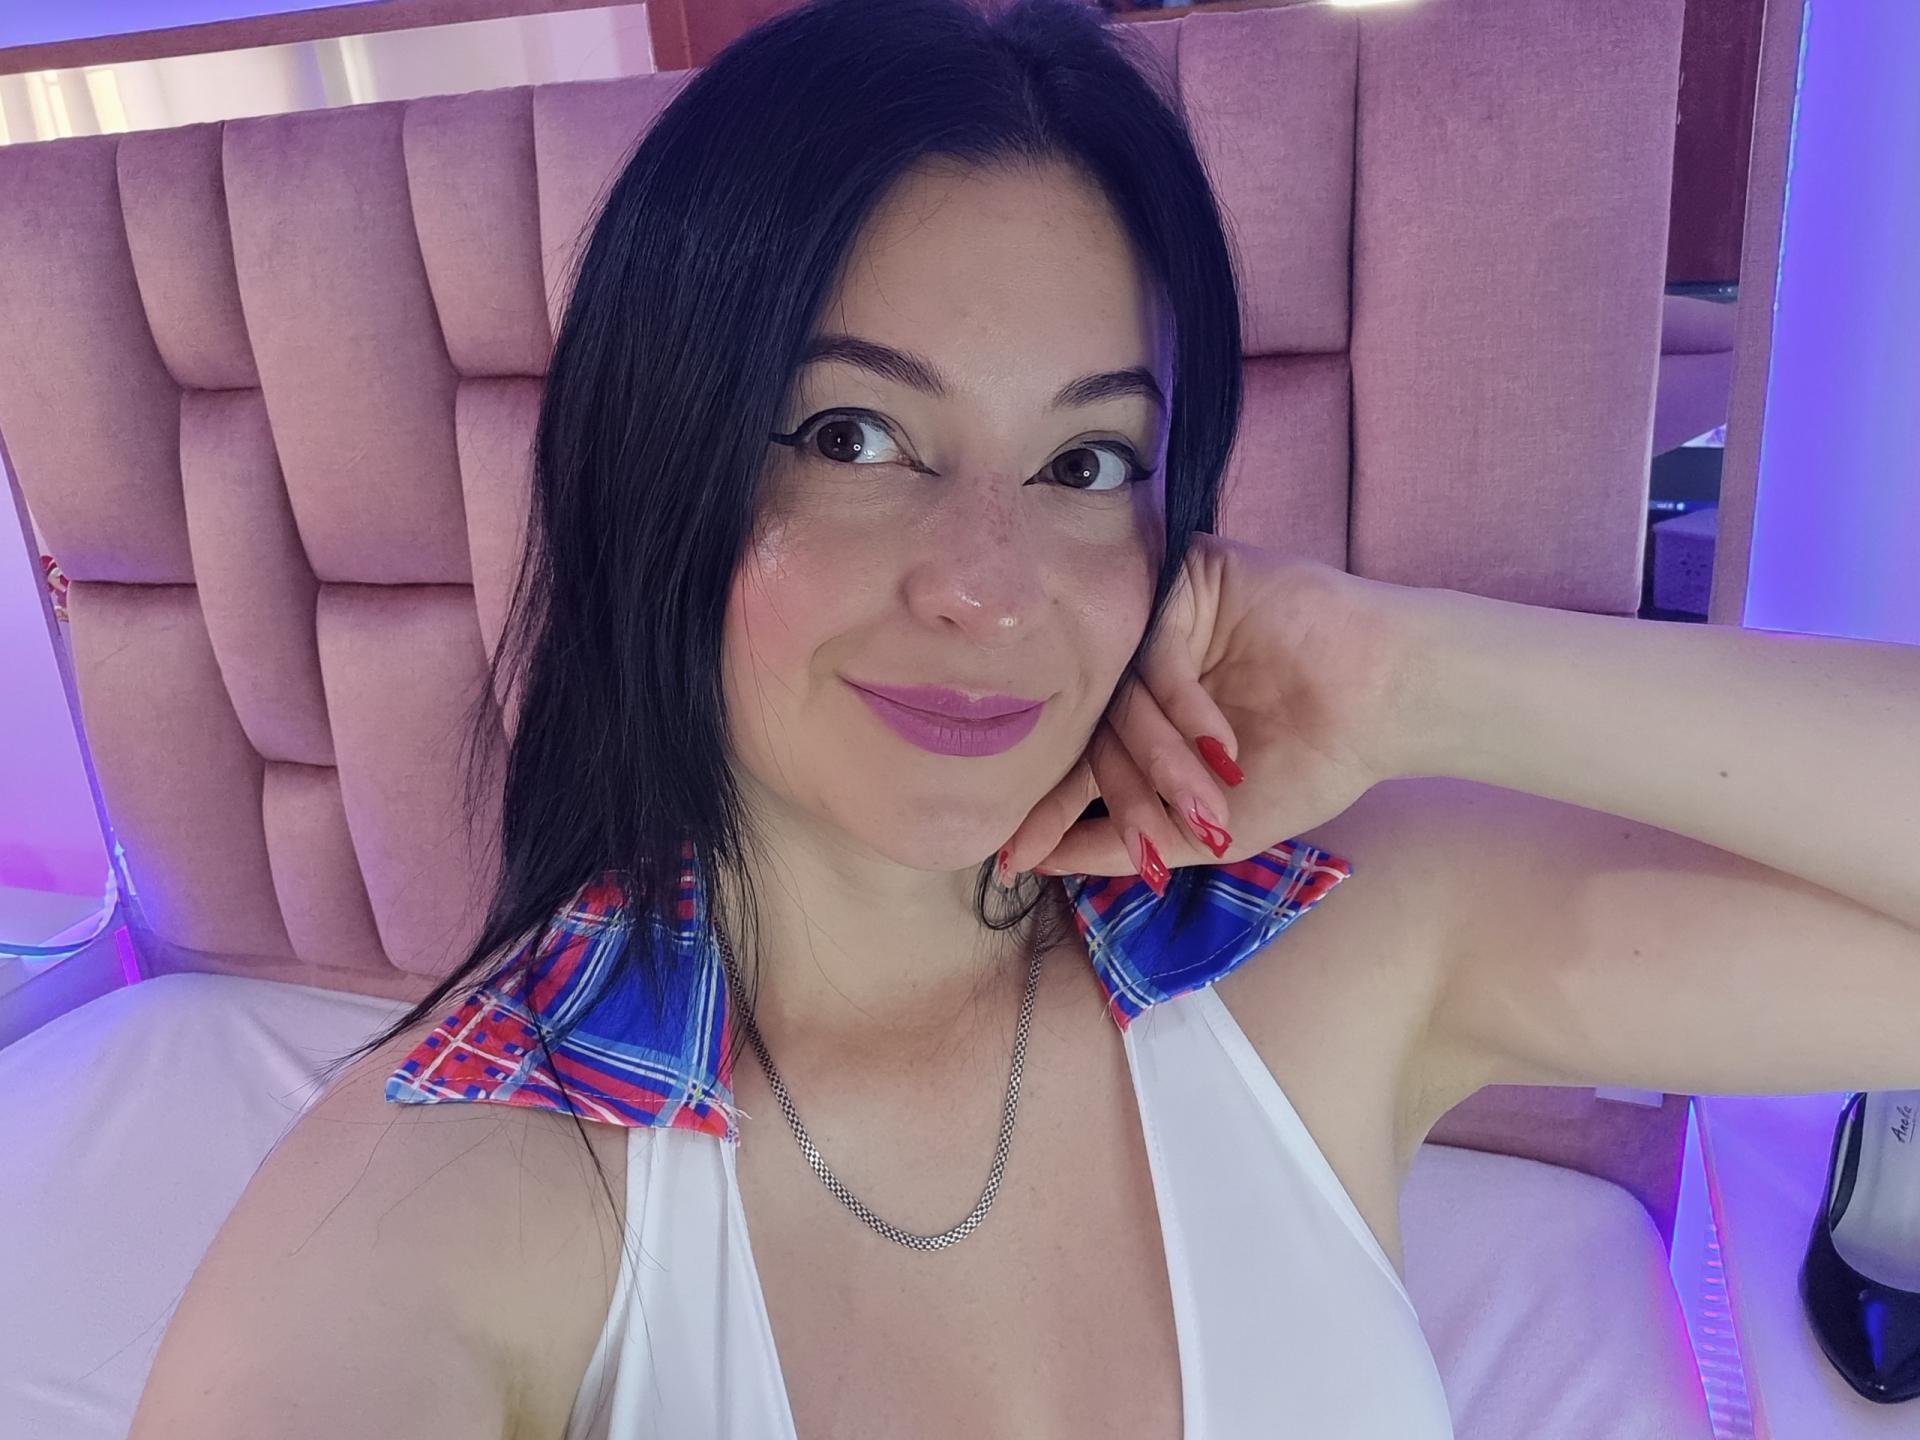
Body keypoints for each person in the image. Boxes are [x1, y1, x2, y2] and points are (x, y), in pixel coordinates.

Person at [128, 0, 1920, 1437]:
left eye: (1087, 462)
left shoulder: (1334, 943)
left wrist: (1414, 673)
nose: (991, 587)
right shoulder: (454, 1196)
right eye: (853, 437)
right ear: (651, 463)